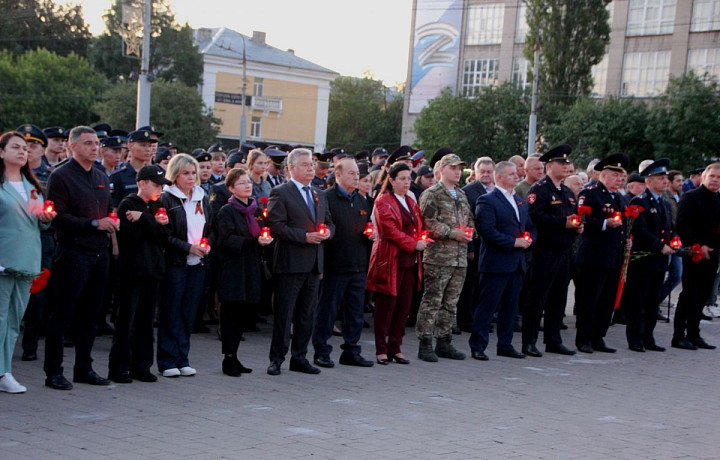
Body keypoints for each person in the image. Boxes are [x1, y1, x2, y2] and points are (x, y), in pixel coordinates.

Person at [44, 126, 118, 390]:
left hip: (99, 253)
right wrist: (93, 224)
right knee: (62, 314)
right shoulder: (61, 176)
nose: (94, 148)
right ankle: (53, 371)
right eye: (88, 143)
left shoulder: (100, 174)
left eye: (96, 143)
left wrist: (111, 220)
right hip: (73, 251)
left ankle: (83, 368)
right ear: (72, 146)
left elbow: (108, 208)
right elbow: (58, 217)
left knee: (91, 314)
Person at [266, 148, 332, 376]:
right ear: (291, 168)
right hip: (291, 262)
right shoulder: (280, 192)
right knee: (285, 315)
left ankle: (300, 357)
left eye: (312, 165)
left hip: (314, 264)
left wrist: (327, 234)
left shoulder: (319, 194)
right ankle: (276, 359)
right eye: (305, 165)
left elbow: (330, 223)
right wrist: (304, 237)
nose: (310, 169)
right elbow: (276, 226)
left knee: (306, 314)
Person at [0, 131, 55, 393]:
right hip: (3, 260)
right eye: (15, 147)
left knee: (13, 319)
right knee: (0, 318)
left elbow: (39, 225)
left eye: (25, 148)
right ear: (2, 153)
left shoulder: (33, 187)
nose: (22, 151)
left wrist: (46, 218)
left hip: (27, 260)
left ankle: (5, 371)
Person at [107, 165, 172, 383]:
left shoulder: (158, 205)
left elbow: (163, 235)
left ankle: (142, 365)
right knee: (127, 320)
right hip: (132, 271)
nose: (159, 190)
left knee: (146, 321)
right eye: (156, 185)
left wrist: (146, 219)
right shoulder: (128, 204)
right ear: (142, 183)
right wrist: (151, 223)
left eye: (162, 186)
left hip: (152, 270)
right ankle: (119, 367)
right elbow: (132, 236)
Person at [312, 158, 375, 368]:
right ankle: (321, 350)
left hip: (358, 264)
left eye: (357, 173)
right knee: (327, 311)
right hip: (335, 265)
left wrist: (371, 234)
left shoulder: (361, 200)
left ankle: (351, 350)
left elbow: (366, 225)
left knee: (355, 312)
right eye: (351, 173)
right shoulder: (327, 197)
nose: (356, 177)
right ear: (338, 175)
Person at [469, 161, 535, 361]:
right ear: (499, 177)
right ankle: (478, 345)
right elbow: (487, 231)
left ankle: (505, 344)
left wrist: (529, 239)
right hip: (496, 262)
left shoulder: (519, 200)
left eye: (517, 174)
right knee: (488, 305)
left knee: (511, 306)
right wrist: (514, 242)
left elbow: (530, 225)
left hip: (516, 262)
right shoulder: (487, 200)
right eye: (512, 174)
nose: (517, 177)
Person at [521, 145, 581, 357]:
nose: (566, 167)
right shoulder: (540, 190)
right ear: (549, 166)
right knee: (537, 298)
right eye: (561, 163)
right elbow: (536, 218)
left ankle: (553, 339)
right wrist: (562, 223)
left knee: (559, 297)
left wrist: (576, 226)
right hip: (545, 251)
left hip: (564, 250)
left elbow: (572, 216)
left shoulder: (566, 192)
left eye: (567, 163)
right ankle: (528, 341)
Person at [157, 153, 211, 377]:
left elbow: (211, 227)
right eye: (185, 173)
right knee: (171, 311)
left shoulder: (202, 196)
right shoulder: (166, 198)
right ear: (175, 175)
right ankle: (167, 360)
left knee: (188, 312)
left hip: (197, 263)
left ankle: (182, 357)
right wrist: (187, 247)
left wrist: (207, 245)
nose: (191, 178)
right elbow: (163, 235)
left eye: (193, 173)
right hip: (176, 262)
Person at [215, 168, 273, 376]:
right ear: (231, 188)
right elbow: (227, 240)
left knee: (242, 314)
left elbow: (262, 231)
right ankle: (228, 358)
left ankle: (235, 355)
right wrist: (253, 242)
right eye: (241, 183)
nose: (247, 185)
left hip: (251, 265)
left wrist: (265, 240)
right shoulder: (227, 211)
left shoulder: (256, 210)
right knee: (231, 313)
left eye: (248, 182)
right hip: (233, 267)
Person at [367, 163, 428, 364]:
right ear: (391, 180)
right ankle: (381, 349)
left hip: (409, 261)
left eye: (408, 179)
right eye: (401, 178)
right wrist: (414, 244)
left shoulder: (410, 200)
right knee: (386, 306)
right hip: (390, 259)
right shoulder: (383, 201)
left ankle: (396, 346)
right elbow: (389, 230)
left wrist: (422, 239)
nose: (406, 182)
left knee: (403, 307)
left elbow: (416, 225)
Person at [415, 154, 473, 362]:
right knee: (433, 300)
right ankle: (425, 342)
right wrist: (452, 233)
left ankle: (444, 341)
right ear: (441, 170)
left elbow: (470, 219)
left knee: (451, 302)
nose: (457, 172)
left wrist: (469, 232)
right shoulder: (432, 194)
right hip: (439, 256)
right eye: (453, 168)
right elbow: (428, 223)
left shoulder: (461, 194)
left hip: (459, 257)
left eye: (459, 168)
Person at [574, 153, 629, 354]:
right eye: (615, 176)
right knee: (589, 299)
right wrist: (605, 223)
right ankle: (584, 338)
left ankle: (598, 336)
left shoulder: (618, 197)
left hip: (613, 256)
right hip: (593, 256)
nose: (619, 180)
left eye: (621, 176)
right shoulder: (590, 193)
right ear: (604, 175)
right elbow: (583, 221)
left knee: (607, 300)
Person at [623, 159, 674, 352]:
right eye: (660, 177)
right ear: (649, 179)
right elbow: (640, 230)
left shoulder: (665, 203)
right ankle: (635, 338)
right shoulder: (640, 201)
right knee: (639, 299)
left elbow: (669, 227)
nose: (665, 181)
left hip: (659, 260)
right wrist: (660, 246)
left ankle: (648, 337)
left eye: (666, 177)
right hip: (643, 259)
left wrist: (673, 240)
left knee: (653, 300)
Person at [672, 163, 720, 350]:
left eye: (719, 177)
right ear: (704, 177)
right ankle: (679, 335)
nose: (715, 180)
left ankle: (694, 333)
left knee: (704, 295)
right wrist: (697, 245)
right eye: (712, 176)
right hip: (695, 253)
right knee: (689, 294)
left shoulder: (718, 199)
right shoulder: (691, 197)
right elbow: (682, 226)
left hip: (713, 254)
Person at [456, 157, 496, 333]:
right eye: (483, 172)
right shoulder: (468, 191)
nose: (486, 175)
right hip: (476, 243)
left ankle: (480, 318)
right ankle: (466, 319)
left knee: (483, 284)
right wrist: (470, 247)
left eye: (489, 171)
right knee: (470, 284)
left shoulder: (496, 190)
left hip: (492, 245)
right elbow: (466, 220)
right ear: (476, 173)